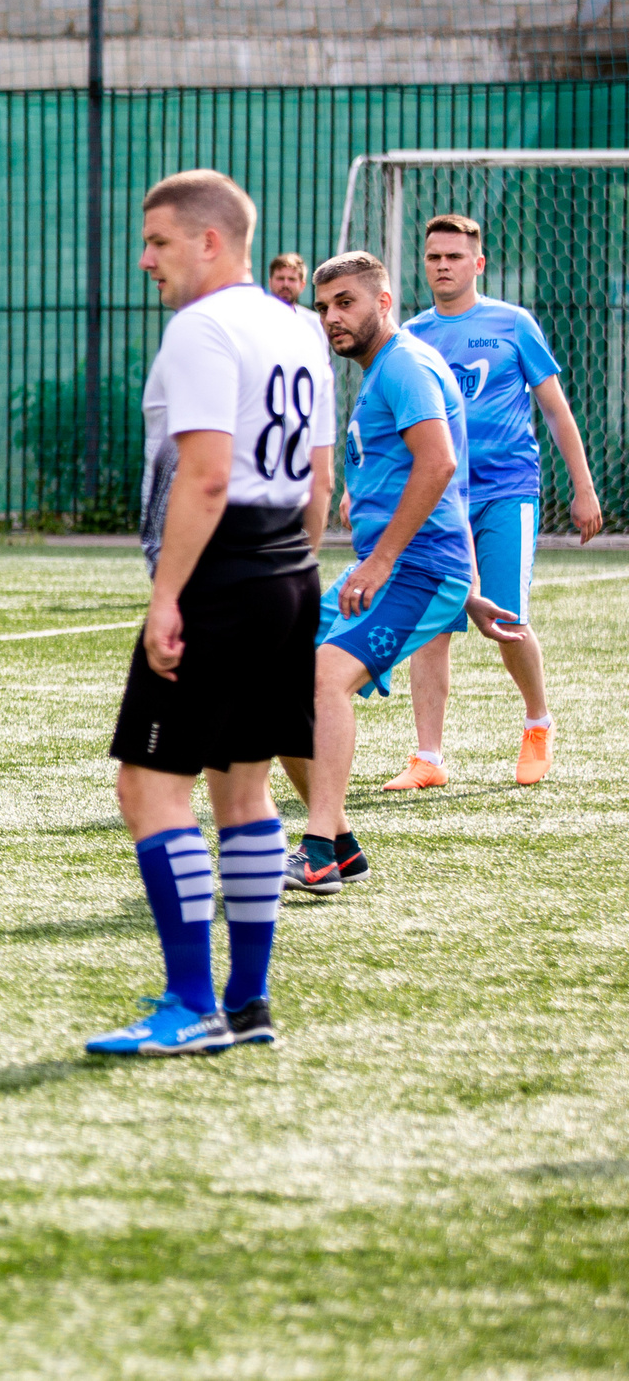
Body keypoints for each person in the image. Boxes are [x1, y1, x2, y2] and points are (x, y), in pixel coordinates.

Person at [86, 171, 332, 1057]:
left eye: (157, 241)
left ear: (210, 241)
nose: (146, 258)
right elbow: (312, 467)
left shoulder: (202, 327)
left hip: (221, 577)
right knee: (244, 787)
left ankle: (190, 1002)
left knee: (149, 786)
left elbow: (207, 473)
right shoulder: (294, 325)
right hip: (286, 570)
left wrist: (166, 596)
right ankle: (248, 1003)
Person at [277, 251, 524, 896]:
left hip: (410, 570)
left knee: (326, 676)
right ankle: (342, 844)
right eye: (326, 306)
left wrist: (393, 564)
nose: (332, 318)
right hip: (406, 570)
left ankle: (318, 849)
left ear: (383, 303)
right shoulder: (385, 369)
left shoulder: (406, 364)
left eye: (347, 303)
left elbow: (439, 465)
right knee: (277, 682)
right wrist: (467, 593)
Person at [394, 212, 605, 788]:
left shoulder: (514, 324)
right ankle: (428, 759)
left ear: (477, 263)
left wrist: (583, 488)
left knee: (505, 619)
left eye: (455, 257)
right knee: (435, 620)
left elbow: (556, 411)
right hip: (440, 499)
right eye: (435, 256)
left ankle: (538, 723)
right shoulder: (410, 335)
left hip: (508, 491)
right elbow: (396, 419)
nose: (443, 265)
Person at [266, 251, 326, 341]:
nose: (285, 284)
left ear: (302, 285)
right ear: (270, 283)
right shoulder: (256, 320)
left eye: (292, 279)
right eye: (280, 279)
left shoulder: (313, 323)